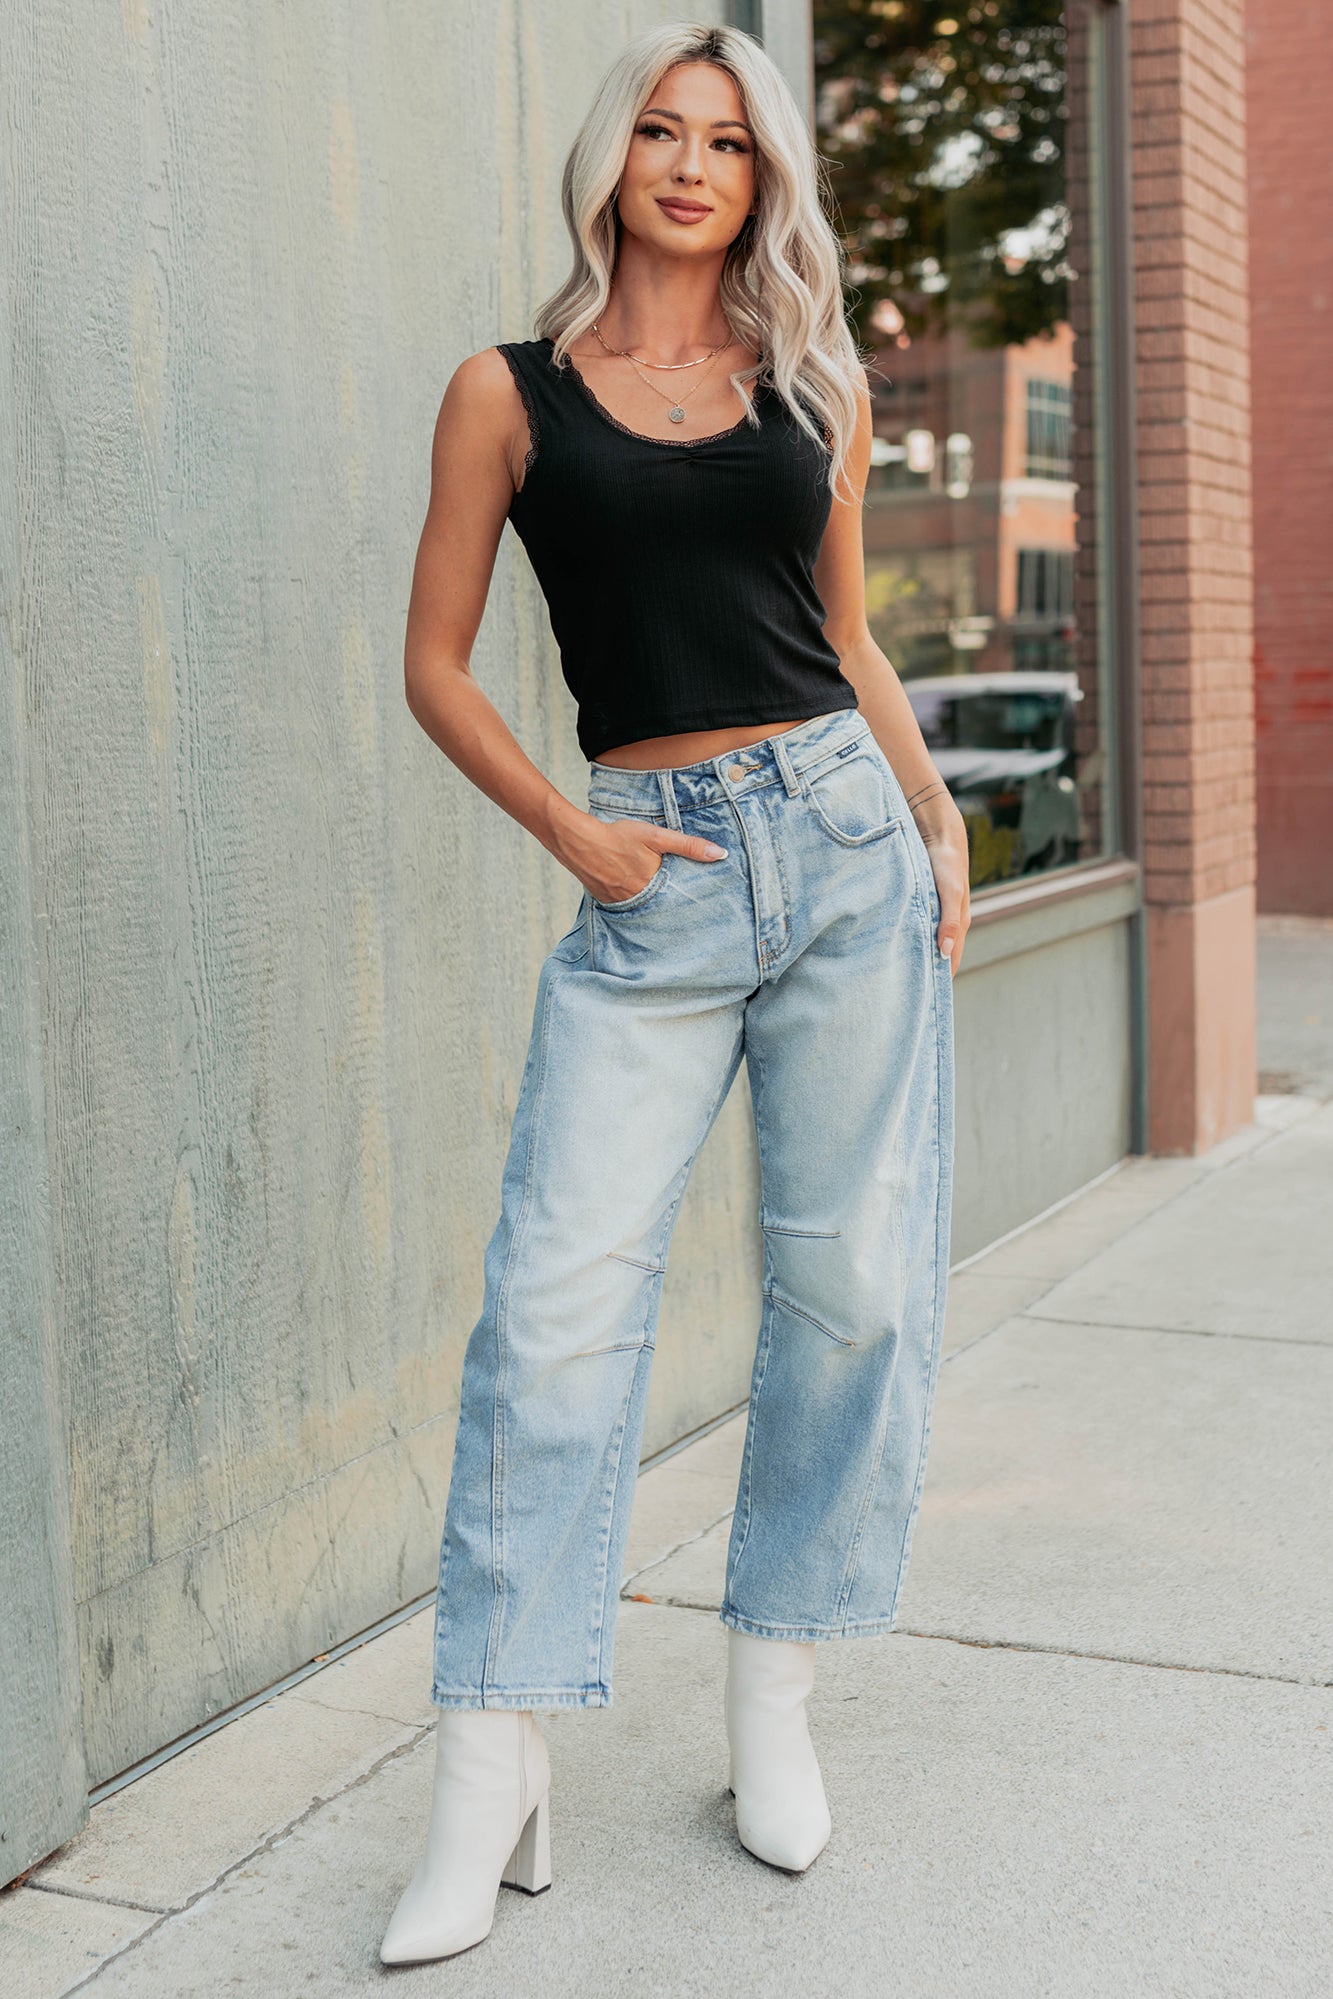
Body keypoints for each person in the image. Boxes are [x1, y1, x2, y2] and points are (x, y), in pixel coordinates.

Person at [381, 19, 970, 1967]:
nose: (693, 161)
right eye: (660, 128)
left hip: (843, 847)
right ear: (611, 158)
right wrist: (577, 829)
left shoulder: (811, 380)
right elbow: (437, 663)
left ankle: (772, 1693)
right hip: (649, 881)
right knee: (552, 1320)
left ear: (761, 176)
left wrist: (933, 817)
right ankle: (490, 1766)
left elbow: (843, 639)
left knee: (853, 1289)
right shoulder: (508, 392)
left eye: (727, 138)